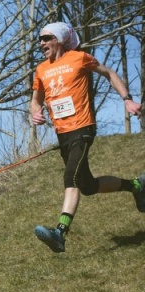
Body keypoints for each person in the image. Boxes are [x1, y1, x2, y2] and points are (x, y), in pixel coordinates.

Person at [30, 22, 144, 252]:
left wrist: (127, 99)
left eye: (46, 38)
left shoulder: (79, 58)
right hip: (62, 134)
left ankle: (60, 233)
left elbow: (109, 73)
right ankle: (136, 185)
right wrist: (35, 112)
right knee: (88, 185)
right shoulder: (41, 69)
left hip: (82, 128)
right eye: (39, 39)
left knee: (70, 177)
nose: (41, 43)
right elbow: (36, 99)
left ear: (60, 39)